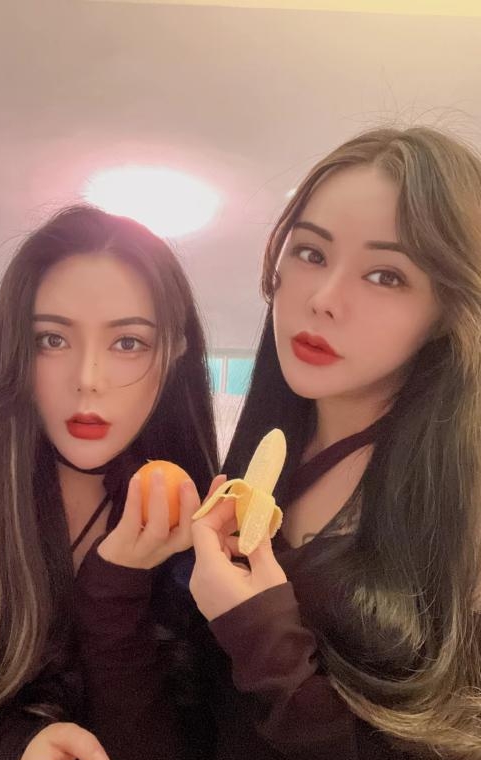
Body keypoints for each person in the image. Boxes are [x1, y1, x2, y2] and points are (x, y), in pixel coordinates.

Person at [76, 126, 481, 760]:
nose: (323, 299)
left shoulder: (464, 520)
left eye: (385, 275)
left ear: (446, 311)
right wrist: (117, 582)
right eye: (311, 253)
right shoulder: (258, 469)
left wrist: (264, 637)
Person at [0, 204, 219, 760]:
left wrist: (117, 586)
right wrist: (2, 748)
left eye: (128, 342)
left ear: (174, 355)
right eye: (52, 340)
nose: (87, 380)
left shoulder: (194, 523)